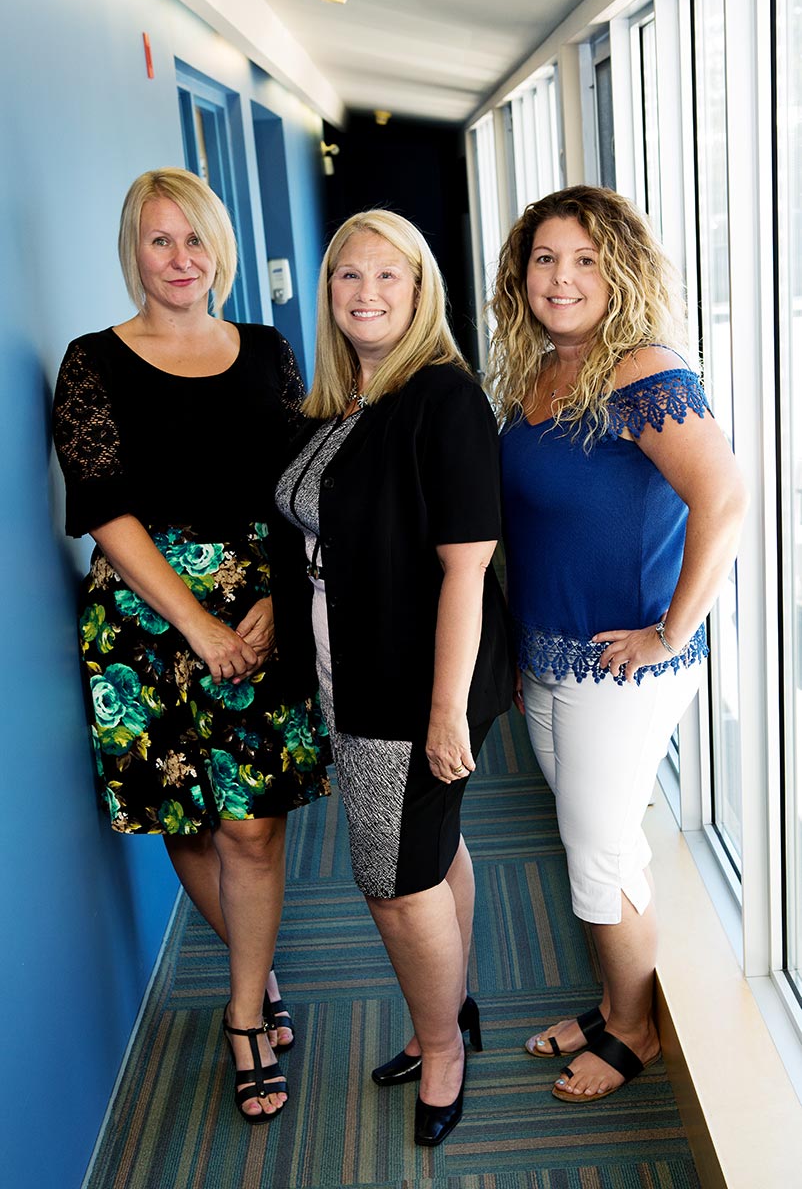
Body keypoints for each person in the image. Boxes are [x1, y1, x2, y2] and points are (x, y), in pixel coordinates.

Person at [52, 168, 331, 1125]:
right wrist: (199, 624)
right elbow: (102, 513)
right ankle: (259, 972)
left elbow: (300, 491)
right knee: (189, 823)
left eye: (197, 239)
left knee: (252, 823)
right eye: (160, 240)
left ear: (223, 248)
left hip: (260, 603)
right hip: (144, 618)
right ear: (134, 250)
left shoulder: (267, 350)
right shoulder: (92, 361)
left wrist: (279, 605)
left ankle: (245, 1008)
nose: (181, 259)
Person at [488, 185, 747, 1103]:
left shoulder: (643, 369)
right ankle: (610, 1001)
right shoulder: (538, 371)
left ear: (621, 269)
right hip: (553, 657)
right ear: (521, 273)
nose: (562, 279)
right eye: (546, 259)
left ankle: (635, 1031)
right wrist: (522, 650)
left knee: (597, 848)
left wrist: (671, 629)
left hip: (626, 667)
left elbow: (725, 501)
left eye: (585, 260)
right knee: (596, 844)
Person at [275, 209, 512, 1146]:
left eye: (388, 277)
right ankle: (456, 1008)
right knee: (434, 848)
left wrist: (444, 713)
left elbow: (467, 567)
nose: (366, 294)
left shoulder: (441, 396)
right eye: (348, 277)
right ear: (329, 292)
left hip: (411, 683)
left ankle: (441, 1047)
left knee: (392, 879)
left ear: (421, 291)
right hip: (355, 665)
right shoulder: (352, 398)